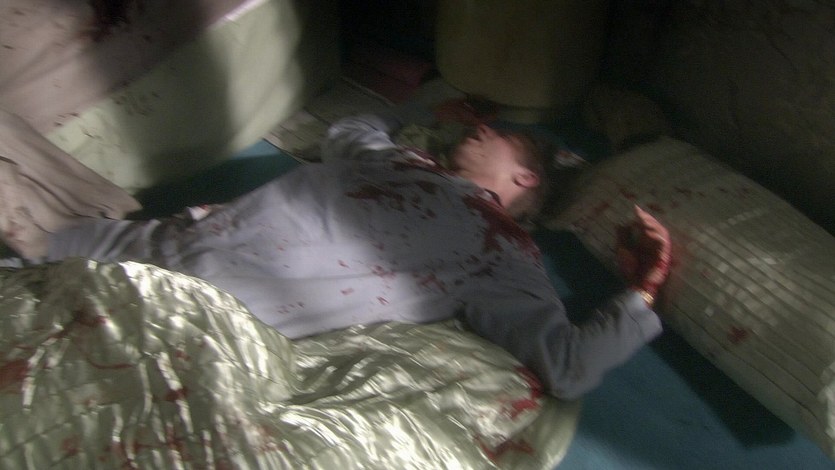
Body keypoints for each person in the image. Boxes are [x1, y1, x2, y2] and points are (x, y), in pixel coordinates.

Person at [11, 99, 672, 400]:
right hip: (168, 237)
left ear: (524, 178)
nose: (481, 129)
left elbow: (568, 365)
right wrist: (420, 109)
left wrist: (642, 289)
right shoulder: (405, 160)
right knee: (31, 252)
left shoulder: (501, 248)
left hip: (214, 300)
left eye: (497, 134)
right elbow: (348, 129)